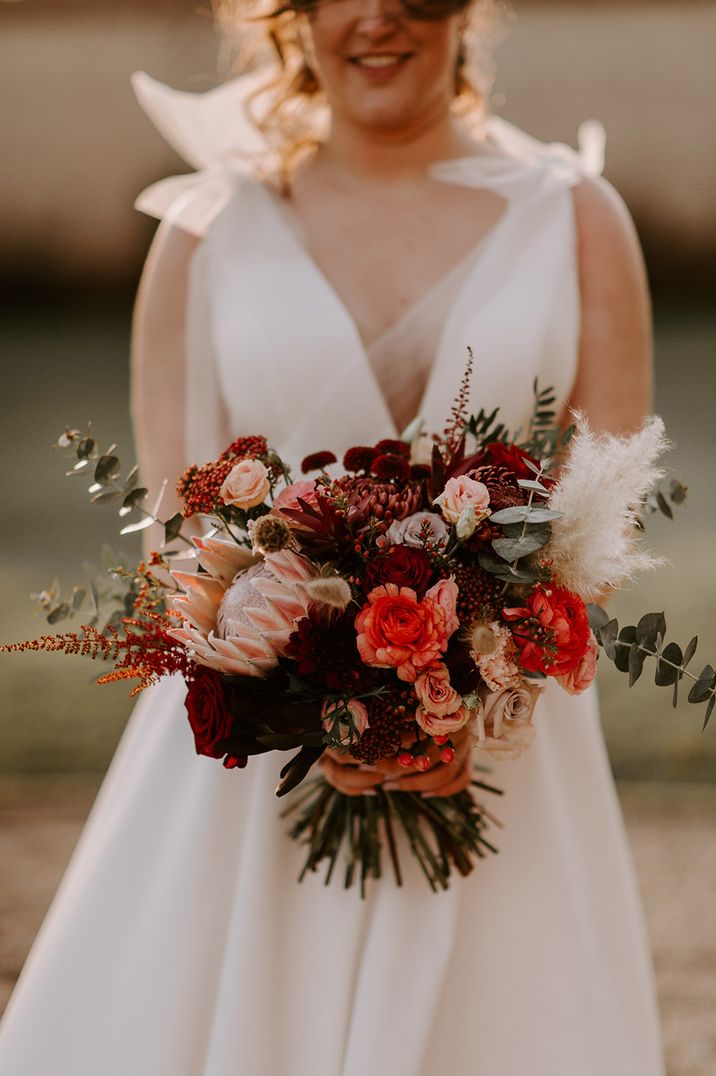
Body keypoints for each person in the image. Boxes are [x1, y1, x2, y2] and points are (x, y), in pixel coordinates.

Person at [0, 1, 665, 1073]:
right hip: (253, 769)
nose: (373, 18)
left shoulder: (578, 221)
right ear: (289, 15)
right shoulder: (203, 233)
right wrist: (305, 691)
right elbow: (178, 534)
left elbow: (602, 519)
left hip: (499, 754)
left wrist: (469, 695)